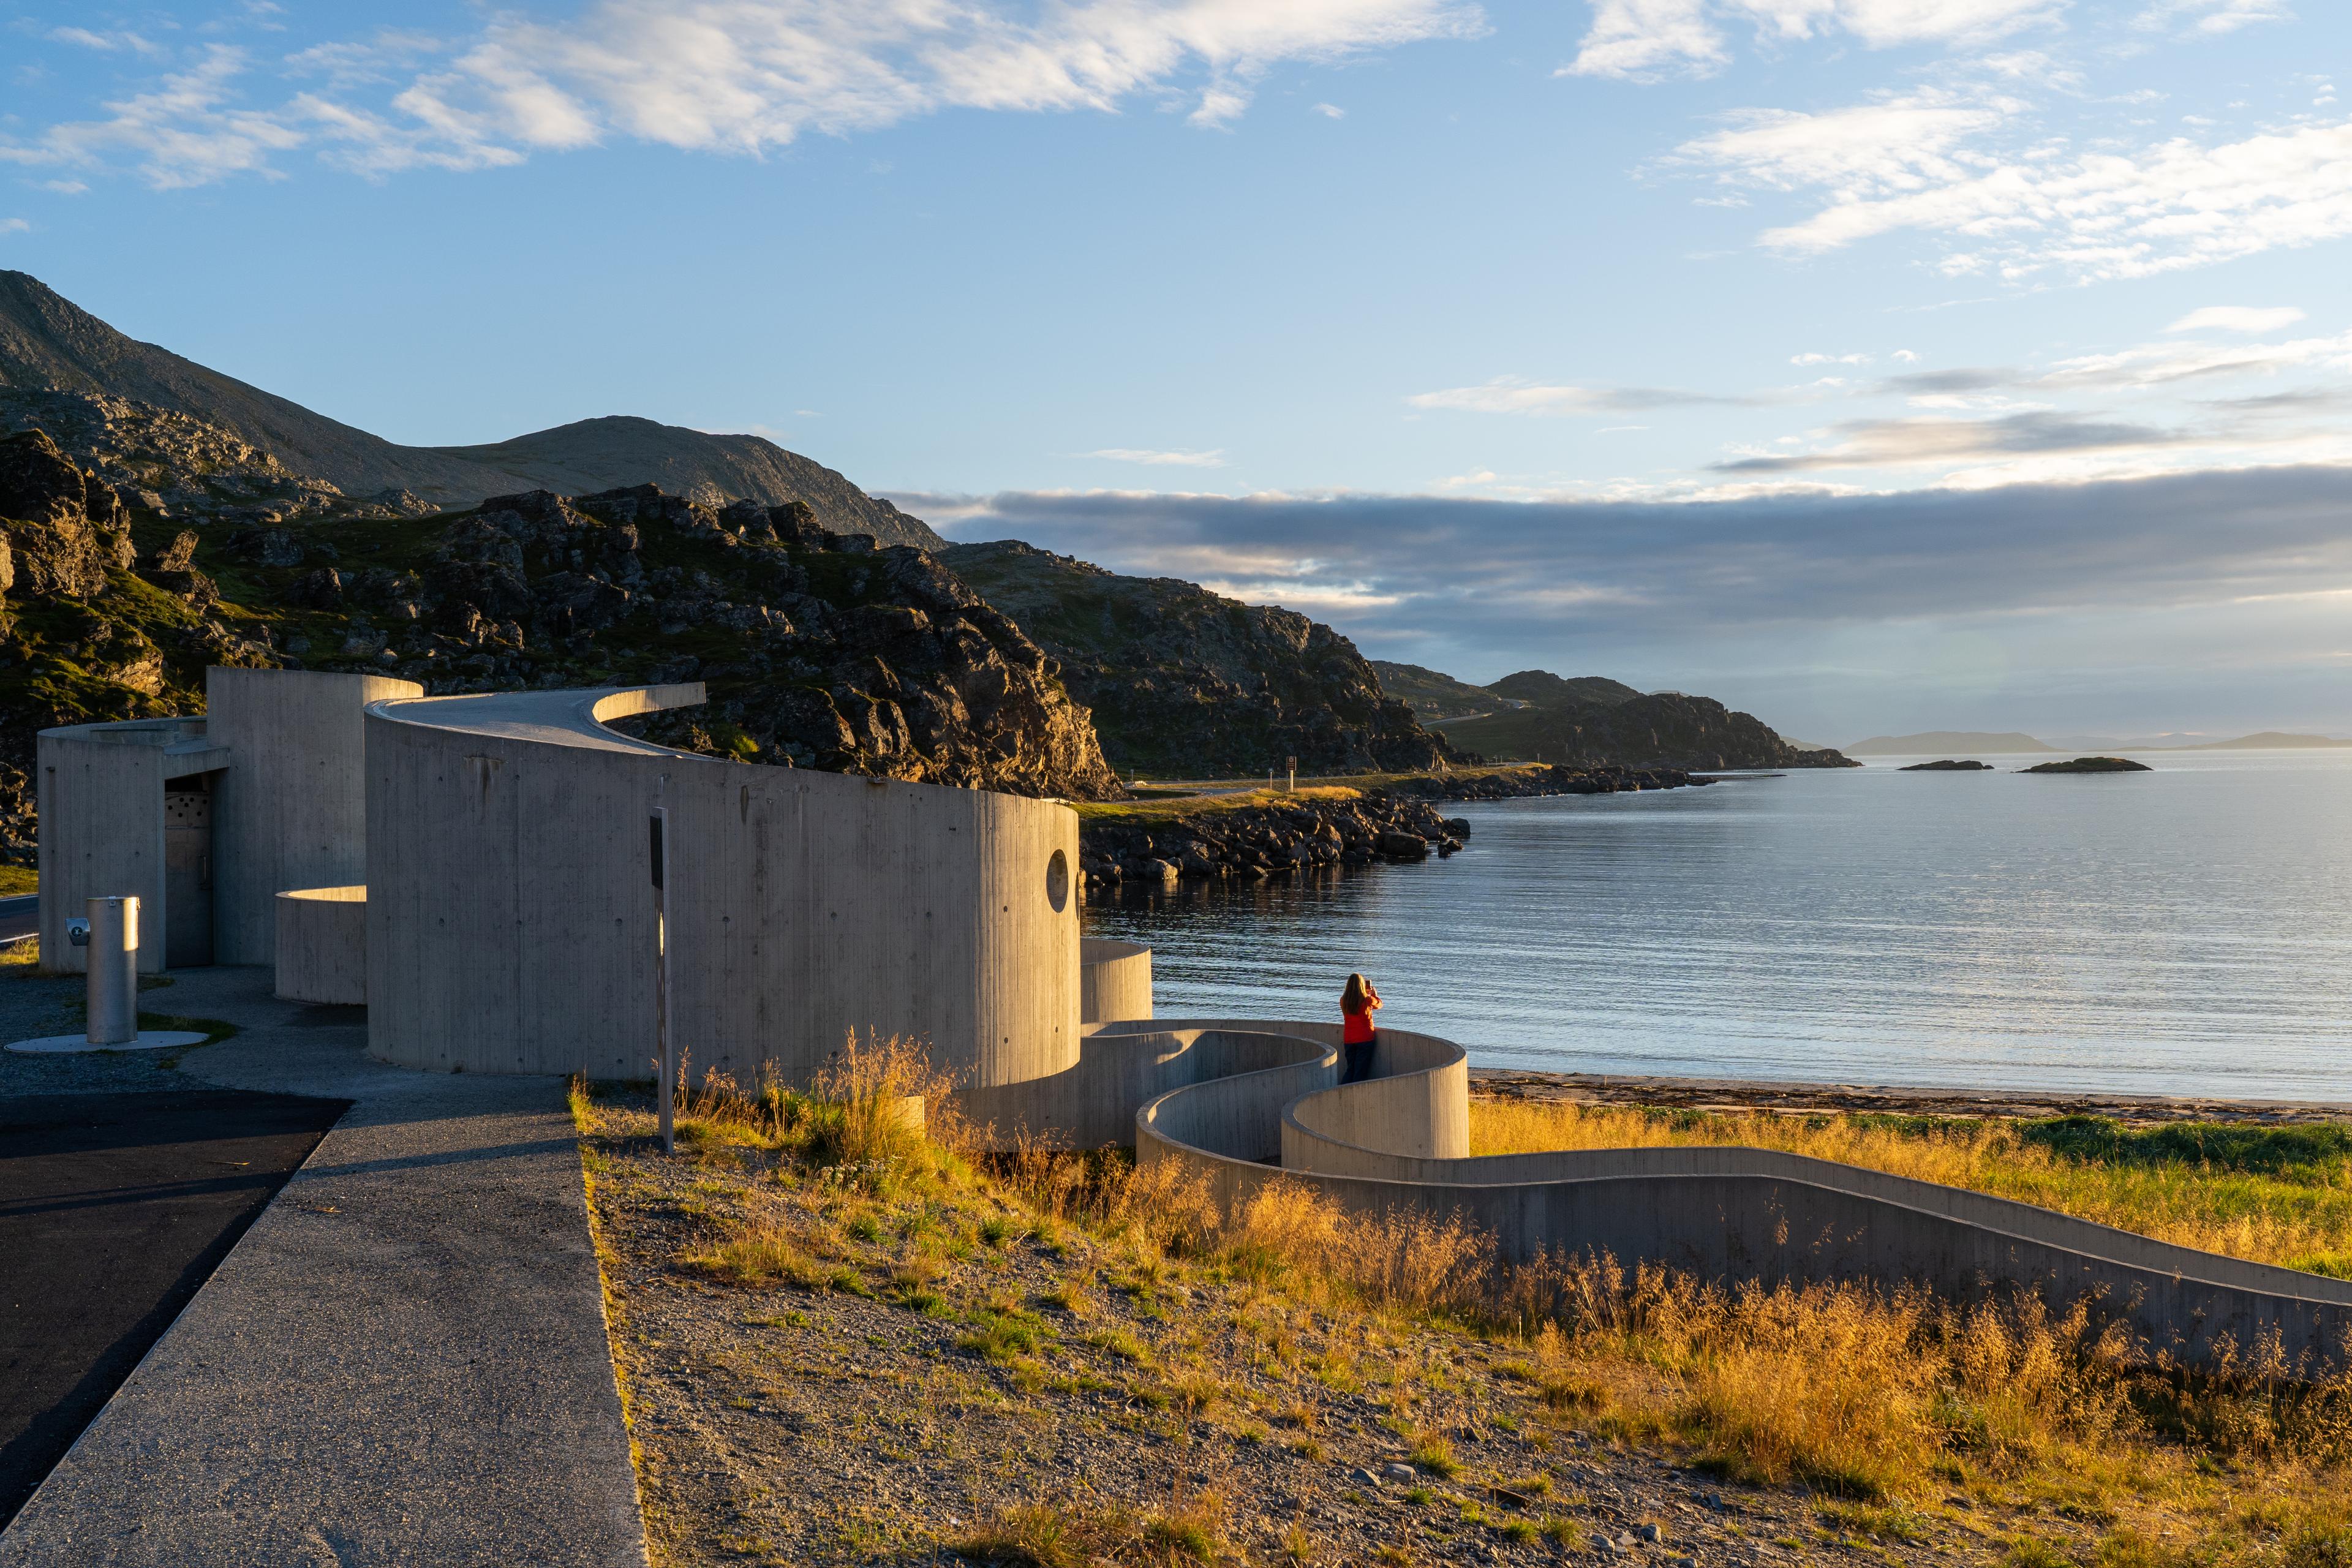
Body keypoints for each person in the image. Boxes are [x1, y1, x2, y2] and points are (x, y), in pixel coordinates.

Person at [1340, 972, 1381, 1084]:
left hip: (1349, 1040)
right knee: (1360, 1072)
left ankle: (1342, 1091)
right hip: (1365, 1039)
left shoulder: (1343, 1000)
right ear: (1361, 985)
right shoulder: (1366, 1000)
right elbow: (1379, 1004)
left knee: (1350, 1070)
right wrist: (1374, 994)